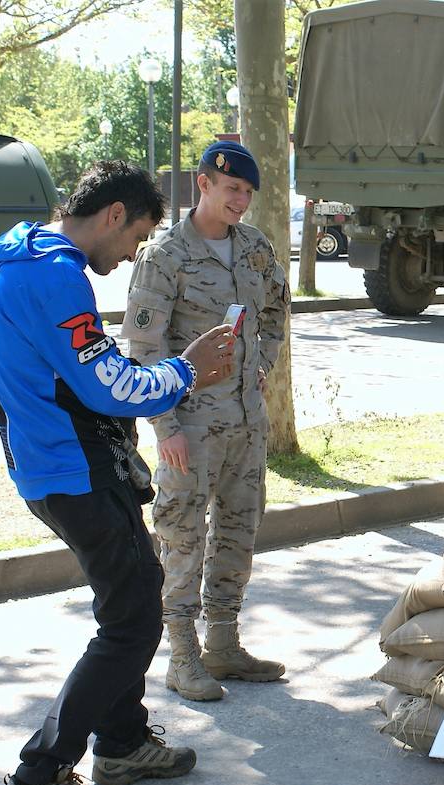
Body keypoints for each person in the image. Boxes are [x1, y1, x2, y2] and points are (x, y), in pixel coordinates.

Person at [0, 160, 236, 785]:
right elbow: (109, 386)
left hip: (56, 462)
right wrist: (187, 370)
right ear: (114, 214)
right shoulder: (53, 274)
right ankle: (37, 776)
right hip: (72, 469)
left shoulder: (18, 255)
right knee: (131, 621)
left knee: (137, 593)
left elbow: (76, 370)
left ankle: (121, 742)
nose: (128, 258)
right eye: (135, 238)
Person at [123, 140, 290, 702]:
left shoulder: (255, 247)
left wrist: (262, 363)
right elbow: (144, 348)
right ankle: (181, 657)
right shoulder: (165, 255)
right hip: (190, 427)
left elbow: (276, 308)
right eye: (232, 189)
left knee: (239, 532)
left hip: (246, 422)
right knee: (182, 537)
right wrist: (164, 426)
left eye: (248, 192)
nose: (241, 200)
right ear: (204, 184)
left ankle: (223, 643)